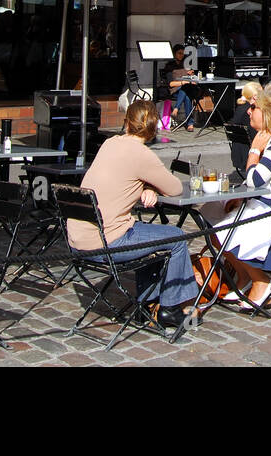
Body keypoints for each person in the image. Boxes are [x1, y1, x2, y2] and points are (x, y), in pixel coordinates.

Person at [69, 99, 198, 329]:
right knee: (177, 238)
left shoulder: (110, 144)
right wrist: (151, 186)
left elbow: (125, 176)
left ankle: (146, 305)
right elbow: (176, 188)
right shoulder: (141, 154)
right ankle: (170, 308)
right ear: (152, 128)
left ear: (126, 122)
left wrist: (147, 186)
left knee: (151, 237)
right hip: (107, 241)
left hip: (79, 239)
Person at [209, 84, 271, 309]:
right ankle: (245, 278)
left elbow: (255, 179)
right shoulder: (269, 137)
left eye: (253, 107)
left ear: (266, 113)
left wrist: (254, 150)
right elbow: (254, 182)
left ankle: (261, 281)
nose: (248, 111)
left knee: (226, 227)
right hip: (267, 203)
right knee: (211, 213)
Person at [158, 44, 198, 132]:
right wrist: (182, 82)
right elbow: (171, 84)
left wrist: (191, 75)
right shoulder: (170, 66)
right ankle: (190, 123)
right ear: (174, 54)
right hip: (175, 90)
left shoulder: (185, 64)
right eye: (179, 53)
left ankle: (176, 108)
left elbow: (190, 78)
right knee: (186, 91)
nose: (181, 55)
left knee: (187, 92)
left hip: (186, 89)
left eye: (183, 53)